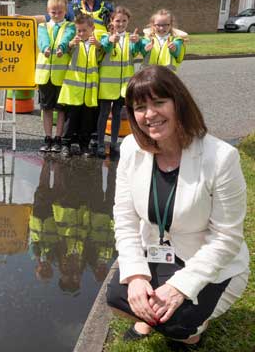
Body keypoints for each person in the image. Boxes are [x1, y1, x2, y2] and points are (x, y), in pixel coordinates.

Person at [106, 66, 249, 348]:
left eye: (159, 102)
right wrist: (135, 275)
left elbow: (226, 238)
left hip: (208, 261)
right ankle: (154, 317)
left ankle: (192, 330)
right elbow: (124, 217)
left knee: (180, 324)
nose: (150, 115)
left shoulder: (221, 158)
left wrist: (178, 288)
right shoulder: (132, 147)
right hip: (159, 253)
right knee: (116, 298)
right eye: (140, 107)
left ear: (179, 103)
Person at [96, 6, 140, 159]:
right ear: (111, 21)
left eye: (124, 21)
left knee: (117, 114)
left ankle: (114, 143)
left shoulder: (131, 38)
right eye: (117, 21)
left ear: (128, 22)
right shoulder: (105, 36)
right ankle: (101, 143)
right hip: (107, 84)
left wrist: (137, 42)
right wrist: (110, 41)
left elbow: (135, 51)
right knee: (103, 114)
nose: (120, 24)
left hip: (124, 85)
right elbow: (104, 49)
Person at [35, 0, 75, 153]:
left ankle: (58, 138)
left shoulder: (70, 26)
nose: (57, 15)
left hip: (62, 75)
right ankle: (47, 138)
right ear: (48, 12)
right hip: (44, 75)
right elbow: (42, 39)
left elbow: (66, 38)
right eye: (53, 12)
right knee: (46, 108)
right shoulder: (43, 27)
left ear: (65, 11)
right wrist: (45, 48)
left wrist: (61, 48)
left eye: (60, 12)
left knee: (61, 109)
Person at [57, 14, 100, 158]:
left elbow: (104, 52)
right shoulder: (74, 43)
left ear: (92, 29)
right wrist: (70, 44)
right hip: (74, 89)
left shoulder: (96, 44)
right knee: (71, 119)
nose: (81, 33)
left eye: (84, 30)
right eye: (78, 31)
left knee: (87, 120)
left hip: (89, 90)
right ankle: (66, 144)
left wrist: (99, 45)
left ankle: (84, 145)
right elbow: (65, 50)